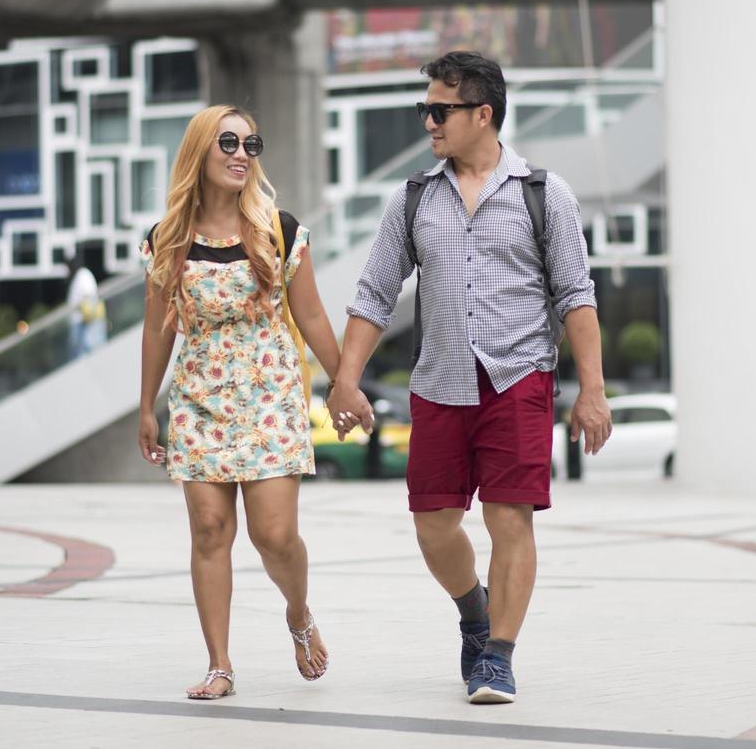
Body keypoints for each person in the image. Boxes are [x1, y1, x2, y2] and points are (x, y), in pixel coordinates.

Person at [327, 50, 611, 705]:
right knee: (432, 523)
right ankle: (474, 614)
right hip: (440, 381)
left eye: (439, 109)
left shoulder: (545, 195)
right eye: (425, 108)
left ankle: (498, 656)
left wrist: (591, 390)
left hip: (519, 379)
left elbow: (575, 295)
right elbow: (373, 294)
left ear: (482, 114)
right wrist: (346, 379)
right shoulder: (413, 199)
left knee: (509, 518)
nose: (428, 121)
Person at [137, 104, 359, 701]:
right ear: (200, 153)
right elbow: (158, 327)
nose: (241, 154)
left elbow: (310, 314)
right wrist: (146, 407)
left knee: (275, 535)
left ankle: (298, 613)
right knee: (210, 531)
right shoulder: (167, 240)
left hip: (270, 396)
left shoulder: (277, 229)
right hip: (198, 400)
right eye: (228, 143)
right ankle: (219, 664)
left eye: (250, 144)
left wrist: (345, 384)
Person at [66, 259, 108, 359]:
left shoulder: (83, 275)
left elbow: (90, 295)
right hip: (85, 324)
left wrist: (86, 311)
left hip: (88, 323)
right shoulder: (80, 276)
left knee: (91, 355)